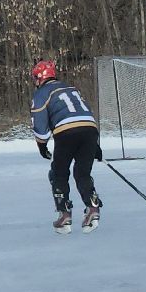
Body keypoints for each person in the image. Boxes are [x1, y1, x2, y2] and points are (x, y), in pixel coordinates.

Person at [30, 60, 103, 233]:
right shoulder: (71, 89)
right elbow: (84, 112)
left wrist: (42, 145)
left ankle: (64, 215)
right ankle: (93, 208)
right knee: (82, 173)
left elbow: (39, 124)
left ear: (40, 78)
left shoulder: (42, 93)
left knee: (58, 173)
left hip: (66, 132)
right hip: (90, 130)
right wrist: (95, 146)